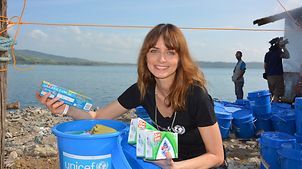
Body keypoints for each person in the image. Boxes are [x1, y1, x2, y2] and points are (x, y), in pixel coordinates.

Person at [36, 23, 226, 169]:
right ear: (146, 56)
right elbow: (97, 118)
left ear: (180, 59)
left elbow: (217, 156)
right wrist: (66, 109)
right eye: (154, 51)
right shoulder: (142, 89)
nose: (161, 59)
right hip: (166, 162)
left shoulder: (195, 95)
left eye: (170, 52)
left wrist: (176, 167)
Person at [264, 37, 290, 102]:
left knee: (271, 92)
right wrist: (284, 47)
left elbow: (265, 66)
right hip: (278, 75)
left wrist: (267, 73)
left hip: (269, 76)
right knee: (277, 94)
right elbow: (287, 56)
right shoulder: (278, 52)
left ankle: (269, 106)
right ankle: (274, 107)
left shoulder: (267, 54)